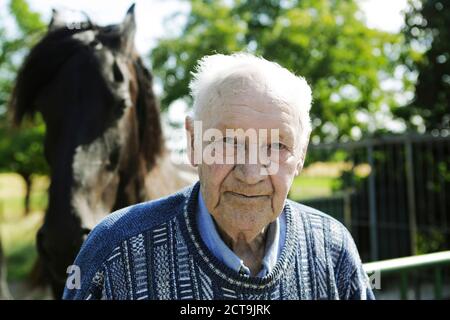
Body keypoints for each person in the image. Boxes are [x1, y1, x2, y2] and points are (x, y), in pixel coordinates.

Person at [63, 53, 374, 300]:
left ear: (302, 154)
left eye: (277, 146)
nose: (251, 174)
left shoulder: (332, 248)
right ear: (194, 141)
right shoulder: (116, 250)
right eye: (228, 142)